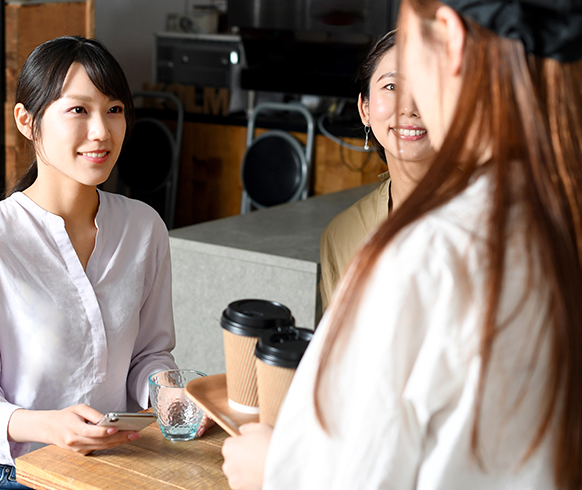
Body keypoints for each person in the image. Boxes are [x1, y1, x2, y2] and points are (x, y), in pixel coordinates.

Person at [222, 0, 582, 488]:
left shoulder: (427, 254)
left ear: (450, 38)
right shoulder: (554, 216)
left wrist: (275, 470)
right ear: (365, 110)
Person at [0, 36, 182, 490]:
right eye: (78, 110)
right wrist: (51, 427)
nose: (102, 132)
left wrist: (171, 396)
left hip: (100, 468)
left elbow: (149, 354)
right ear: (27, 121)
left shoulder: (145, 229)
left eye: (114, 109)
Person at [319, 29, 436, 311]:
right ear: (365, 109)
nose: (409, 107)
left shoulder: (495, 215)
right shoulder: (342, 234)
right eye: (391, 87)